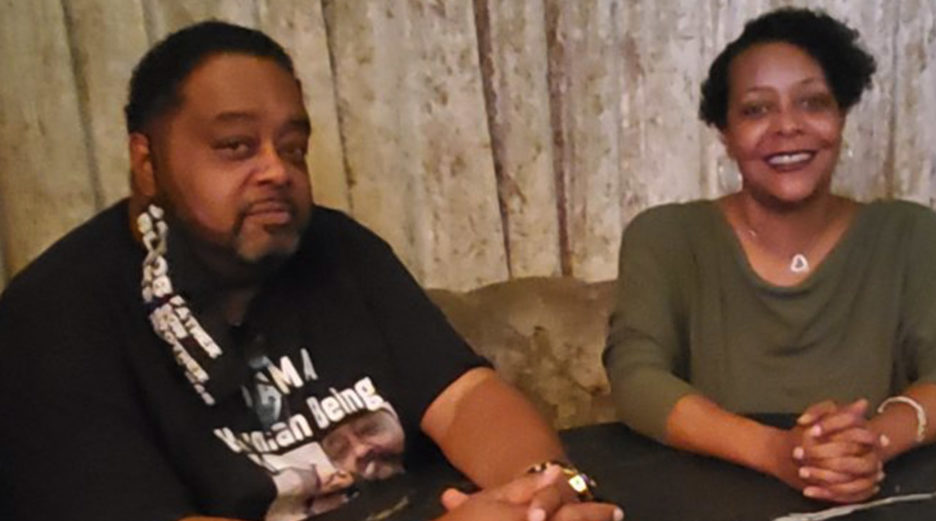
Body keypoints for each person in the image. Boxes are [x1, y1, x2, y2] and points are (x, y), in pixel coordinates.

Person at [0, 21, 621, 521]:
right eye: (236, 146)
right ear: (146, 162)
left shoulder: (340, 249)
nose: (277, 169)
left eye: (293, 147)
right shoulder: (52, 318)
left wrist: (544, 492)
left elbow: (465, 400)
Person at [603, 7, 936, 505]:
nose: (787, 126)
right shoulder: (667, 237)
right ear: (724, 133)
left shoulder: (910, 234)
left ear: (841, 116)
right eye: (756, 110)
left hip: (876, 499)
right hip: (711, 503)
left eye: (812, 103)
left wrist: (871, 444)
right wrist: (776, 452)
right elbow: (635, 377)